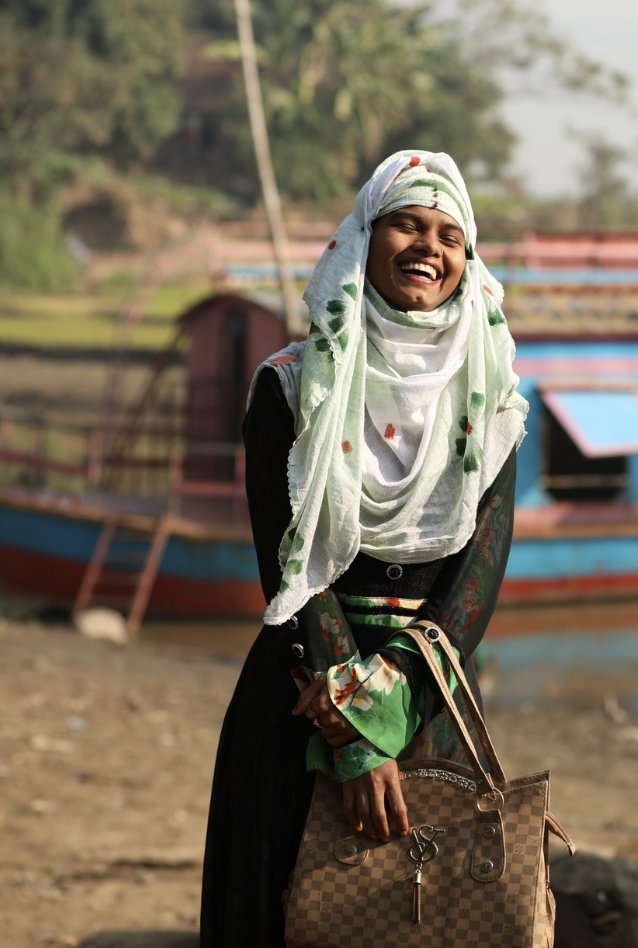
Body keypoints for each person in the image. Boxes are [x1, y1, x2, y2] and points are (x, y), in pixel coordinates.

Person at [200, 150, 529, 947]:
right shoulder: (290, 387)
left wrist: (391, 709)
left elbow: (478, 576)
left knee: (423, 918)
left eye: (450, 236)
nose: (429, 248)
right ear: (362, 239)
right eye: (407, 225)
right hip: (303, 689)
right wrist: (352, 741)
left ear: (468, 260)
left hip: (430, 698)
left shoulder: (491, 399)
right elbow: (291, 567)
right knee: (285, 908)